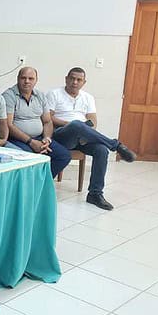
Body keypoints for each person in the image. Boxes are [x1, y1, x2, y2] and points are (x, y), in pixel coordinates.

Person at [47, 67, 136, 210]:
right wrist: (72, 125)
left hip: (83, 137)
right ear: (66, 79)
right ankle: (116, 145)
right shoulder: (54, 94)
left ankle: (95, 194)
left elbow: (93, 122)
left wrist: (85, 131)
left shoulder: (88, 97)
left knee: (101, 150)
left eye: (79, 80)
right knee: (76, 124)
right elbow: (48, 118)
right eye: (72, 78)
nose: (75, 82)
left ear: (84, 82)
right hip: (62, 135)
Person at [2, 67, 71, 177]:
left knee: (63, 156)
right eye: (23, 78)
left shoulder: (40, 95)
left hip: (39, 138)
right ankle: (35, 183)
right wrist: (31, 142)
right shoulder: (9, 95)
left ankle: (41, 182)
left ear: (36, 80)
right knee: (30, 158)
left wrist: (46, 139)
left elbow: (47, 121)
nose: (27, 81)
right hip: (17, 139)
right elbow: (9, 125)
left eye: (31, 78)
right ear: (18, 78)